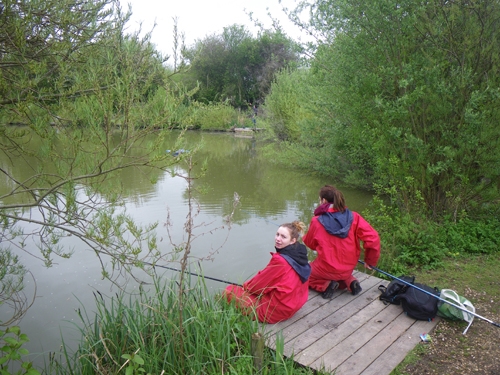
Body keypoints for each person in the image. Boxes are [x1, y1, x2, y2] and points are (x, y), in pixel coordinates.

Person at [224, 221, 311, 324]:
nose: (278, 239)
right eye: (277, 234)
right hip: (294, 305)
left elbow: (257, 285)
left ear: (292, 241)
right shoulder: (301, 256)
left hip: (275, 312)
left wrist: (245, 287)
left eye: (283, 237)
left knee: (229, 290)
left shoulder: (280, 261)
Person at [303, 185, 380, 299]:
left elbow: (311, 244)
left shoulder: (316, 220)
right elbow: (373, 238)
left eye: (319, 199)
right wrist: (370, 260)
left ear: (323, 200)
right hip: (348, 268)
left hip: (326, 268)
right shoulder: (354, 217)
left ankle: (326, 285)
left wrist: (304, 236)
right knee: (339, 272)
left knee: (304, 274)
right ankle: (350, 281)